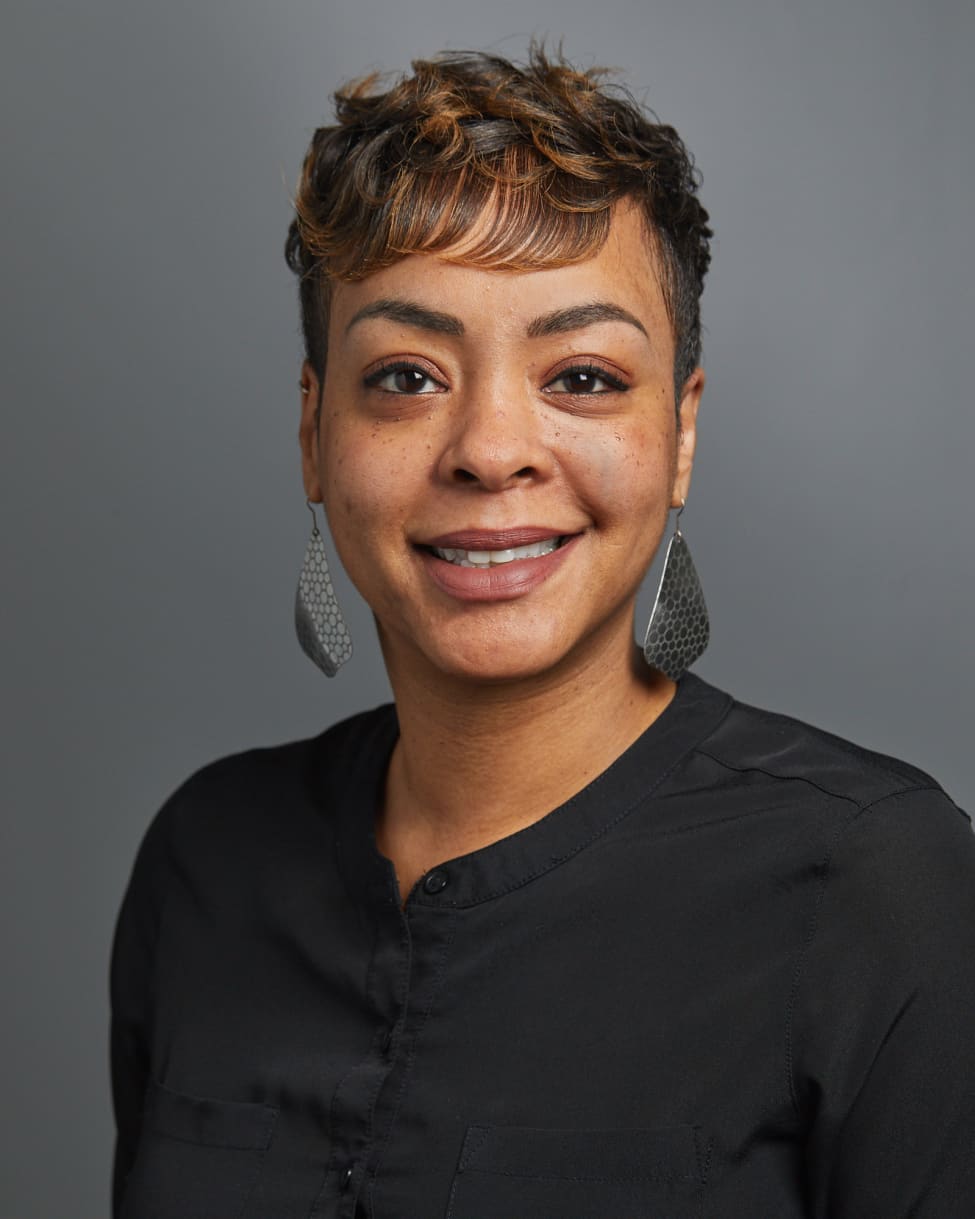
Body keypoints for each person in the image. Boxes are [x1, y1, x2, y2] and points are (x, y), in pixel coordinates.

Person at [110, 46, 975, 1218]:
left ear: (680, 435)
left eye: (581, 377)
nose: (490, 449)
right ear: (314, 434)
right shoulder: (205, 861)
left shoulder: (881, 886)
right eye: (406, 376)